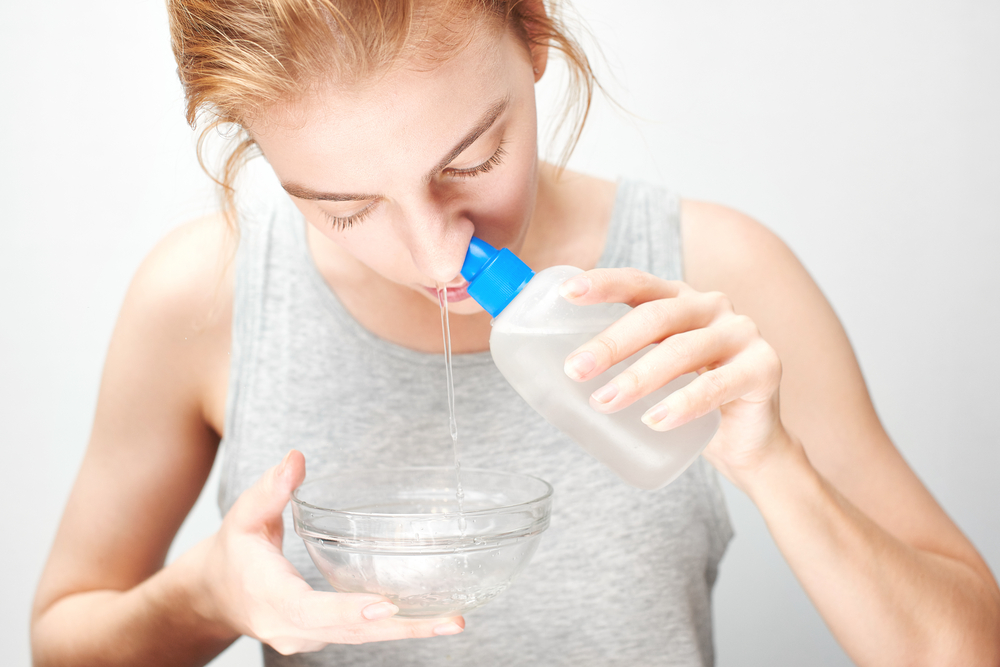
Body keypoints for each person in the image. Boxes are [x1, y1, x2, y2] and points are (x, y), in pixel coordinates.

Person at [29, 0, 1000, 665]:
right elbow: (63, 640)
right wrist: (205, 596)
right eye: (345, 207)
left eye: (473, 157)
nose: (434, 250)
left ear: (532, 28)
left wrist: (776, 462)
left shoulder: (715, 279)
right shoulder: (204, 297)